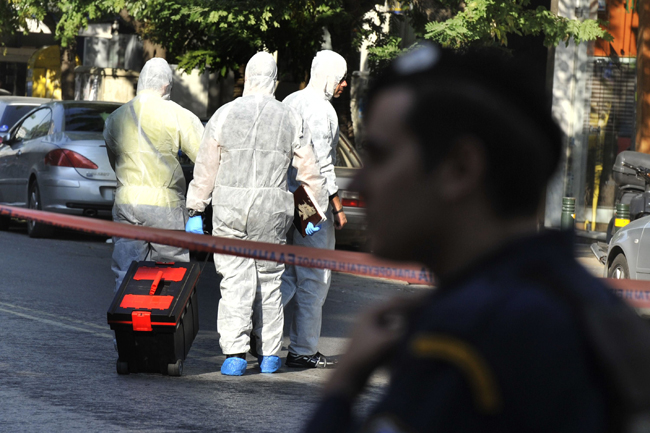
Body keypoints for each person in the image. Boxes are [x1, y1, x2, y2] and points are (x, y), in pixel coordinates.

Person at [303, 44, 618, 432]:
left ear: (460, 168)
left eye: (381, 155)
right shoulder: (588, 310)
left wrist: (343, 386)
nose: (364, 181)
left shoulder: (462, 341)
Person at [185, 52, 327, 376]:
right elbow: (309, 171)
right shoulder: (289, 117)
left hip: (229, 210)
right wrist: (312, 214)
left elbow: (206, 168)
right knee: (270, 282)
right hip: (272, 213)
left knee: (234, 281)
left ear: (246, 77)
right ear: (275, 81)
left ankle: (234, 354)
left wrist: (196, 208)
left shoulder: (223, 114)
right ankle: (270, 355)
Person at [103, 57, 204, 291]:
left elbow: (114, 160)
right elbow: (205, 160)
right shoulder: (179, 115)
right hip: (166, 207)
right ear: (166, 85)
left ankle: (128, 322)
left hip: (126, 204)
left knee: (127, 271)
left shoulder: (116, 117)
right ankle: (161, 323)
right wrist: (197, 207)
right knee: (170, 274)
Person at [280, 50, 349, 368]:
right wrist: (336, 206)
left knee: (285, 273)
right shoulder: (322, 110)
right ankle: (303, 350)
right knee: (314, 276)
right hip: (309, 203)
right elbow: (322, 164)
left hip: (286, 197)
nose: (344, 84)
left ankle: (259, 335)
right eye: (341, 78)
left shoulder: (290, 101)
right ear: (328, 77)